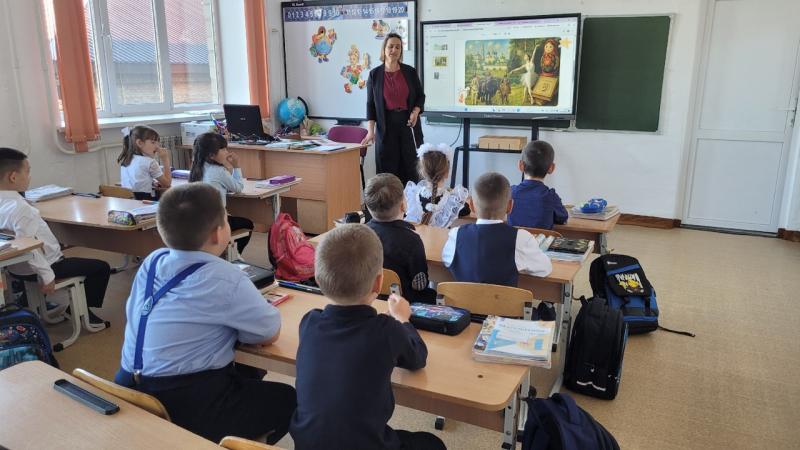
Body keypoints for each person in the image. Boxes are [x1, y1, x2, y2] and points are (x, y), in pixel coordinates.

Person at [114, 183, 296, 443]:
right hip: (184, 401)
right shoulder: (226, 277)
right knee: (288, 399)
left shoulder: (152, 262)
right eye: (226, 218)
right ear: (217, 234)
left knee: (247, 373)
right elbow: (270, 332)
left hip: (127, 386)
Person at [290, 224, 446, 450]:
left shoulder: (309, 322)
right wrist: (403, 319)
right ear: (378, 282)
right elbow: (418, 357)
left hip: (307, 446)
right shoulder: (386, 330)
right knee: (433, 444)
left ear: (318, 279)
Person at [0, 147, 111, 323]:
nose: (29, 177)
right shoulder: (21, 209)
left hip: (15, 269)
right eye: (27, 172)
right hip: (48, 265)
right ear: (13, 177)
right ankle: (80, 312)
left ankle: (26, 301)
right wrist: (48, 276)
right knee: (101, 267)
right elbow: (29, 248)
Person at [442, 172, 551, 287]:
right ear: (510, 206)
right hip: (504, 299)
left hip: (463, 299)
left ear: (472, 205)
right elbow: (545, 269)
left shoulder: (456, 235)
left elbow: (446, 260)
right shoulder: (521, 239)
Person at [362, 32, 425, 186]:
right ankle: (389, 202)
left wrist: (415, 112)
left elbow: (420, 96)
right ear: (384, 49)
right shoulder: (374, 75)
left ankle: (409, 201)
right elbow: (371, 105)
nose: (394, 50)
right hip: (386, 127)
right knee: (387, 173)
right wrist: (370, 131)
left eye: (398, 47)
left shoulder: (410, 72)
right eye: (391, 46)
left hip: (408, 125)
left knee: (411, 169)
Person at [365, 173, 436, 304]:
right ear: (403, 205)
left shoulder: (361, 234)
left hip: (370, 298)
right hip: (404, 304)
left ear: (368, 207)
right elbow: (420, 285)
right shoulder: (412, 241)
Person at [188, 132, 252, 255]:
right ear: (211, 155)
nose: (227, 152)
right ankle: (234, 256)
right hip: (216, 222)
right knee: (247, 224)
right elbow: (238, 187)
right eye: (223, 149)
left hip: (200, 221)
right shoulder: (218, 171)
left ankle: (225, 253)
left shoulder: (197, 168)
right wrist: (236, 166)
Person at [404, 143, 469, 228]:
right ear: (447, 173)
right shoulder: (453, 200)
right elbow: (466, 210)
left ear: (422, 172)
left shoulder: (411, 196)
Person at [508, 141, 568, 230]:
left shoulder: (510, 193)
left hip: (514, 239)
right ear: (551, 168)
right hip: (540, 239)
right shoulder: (550, 196)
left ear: (521, 165)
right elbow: (562, 217)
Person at [118, 125, 172, 200]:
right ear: (140, 143)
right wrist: (165, 159)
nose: (157, 147)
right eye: (153, 142)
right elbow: (167, 184)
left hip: (128, 201)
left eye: (158, 143)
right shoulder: (150, 162)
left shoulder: (126, 160)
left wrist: (150, 182)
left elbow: (136, 180)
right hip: (144, 201)